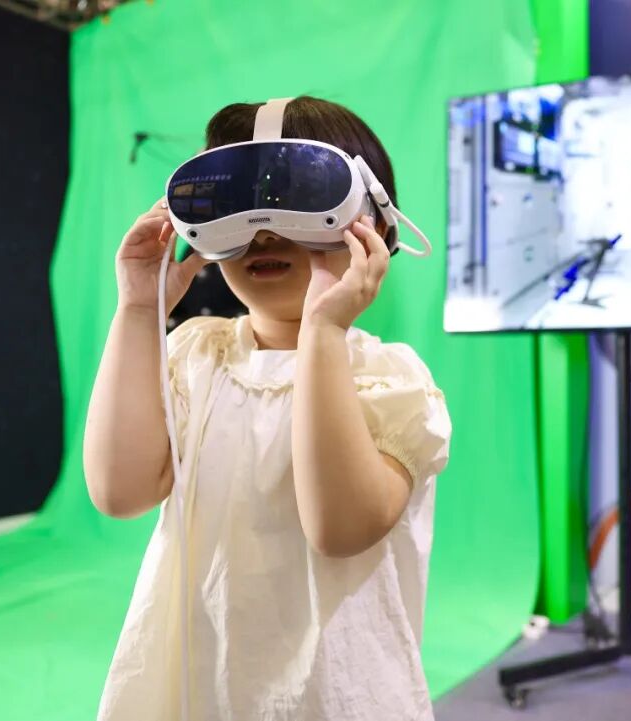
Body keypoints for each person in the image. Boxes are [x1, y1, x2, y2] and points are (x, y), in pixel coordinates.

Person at [83, 96, 452, 721]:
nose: (264, 229)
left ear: (373, 226)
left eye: (303, 196)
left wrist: (324, 331)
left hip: (333, 696)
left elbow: (340, 529)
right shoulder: (197, 355)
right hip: (198, 689)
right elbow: (121, 492)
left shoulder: (387, 379)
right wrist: (140, 308)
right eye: (236, 201)